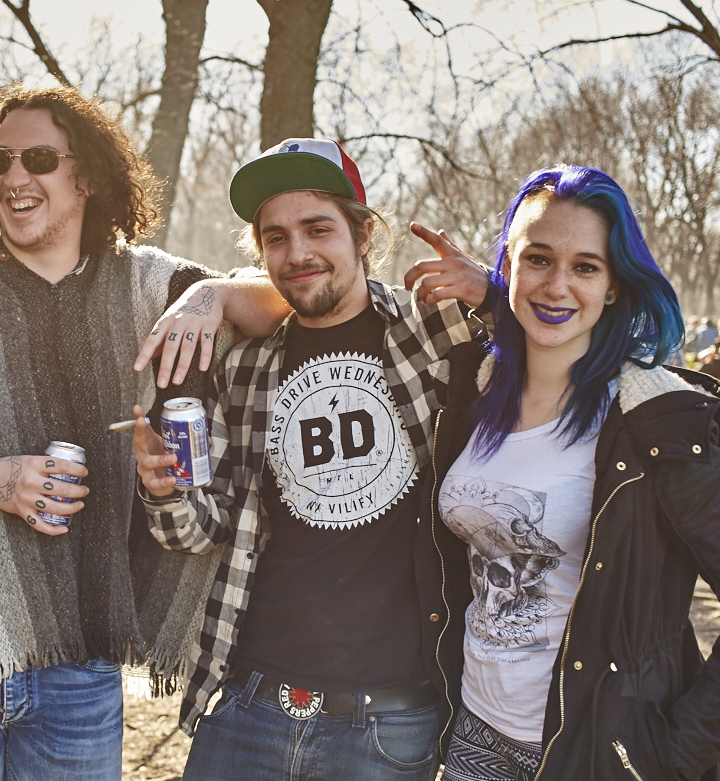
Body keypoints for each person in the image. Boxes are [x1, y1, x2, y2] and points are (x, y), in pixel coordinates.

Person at [0, 85, 290, 781]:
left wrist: (218, 293)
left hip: (82, 660)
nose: (14, 178)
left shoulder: (149, 289)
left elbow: (298, 310)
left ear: (87, 176)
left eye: (39, 159)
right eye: (0, 159)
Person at [132, 137, 493, 780]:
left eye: (317, 228)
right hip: (250, 708)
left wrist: (493, 295)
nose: (297, 253)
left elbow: (568, 343)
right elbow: (204, 528)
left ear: (362, 235)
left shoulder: (429, 332)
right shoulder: (243, 365)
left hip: (390, 726)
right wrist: (163, 491)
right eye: (275, 237)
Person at [415, 165, 720, 781]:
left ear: (612, 286)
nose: (557, 285)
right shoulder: (472, 394)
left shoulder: (653, 422)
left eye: (585, 267)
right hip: (472, 735)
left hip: (594, 753)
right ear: (508, 268)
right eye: (538, 259)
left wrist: (677, 752)